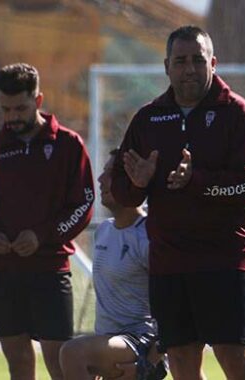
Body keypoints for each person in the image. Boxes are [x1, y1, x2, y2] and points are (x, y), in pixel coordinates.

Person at [112, 25, 245, 380]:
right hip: (169, 263)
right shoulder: (149, 118)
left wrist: (197, 182)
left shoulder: (236, 113)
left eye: (198, 60)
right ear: (167, 67)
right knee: (180, 361)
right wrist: (137, 185)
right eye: (181, 61)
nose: (190, 69)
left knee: (235, 359)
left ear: (213, 62)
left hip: (223, 259)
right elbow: (121, 192)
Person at [0, 63, 94, 380]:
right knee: (19, 364)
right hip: (3, 273)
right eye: (5, 109)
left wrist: (43, 235)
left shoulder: (68, 145)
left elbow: (83, 203)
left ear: (38, 100)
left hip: (50, 271)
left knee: (60, 364)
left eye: (20, 108)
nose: (12, 116)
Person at [59, 149, 167, 380]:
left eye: (110, 173)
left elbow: (176, 306)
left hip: (142, 344)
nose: (100, 179)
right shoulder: (104, 230)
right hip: (111, 342)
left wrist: (149, 363)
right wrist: (98, 357)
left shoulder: (149, 236)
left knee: (72, 353)